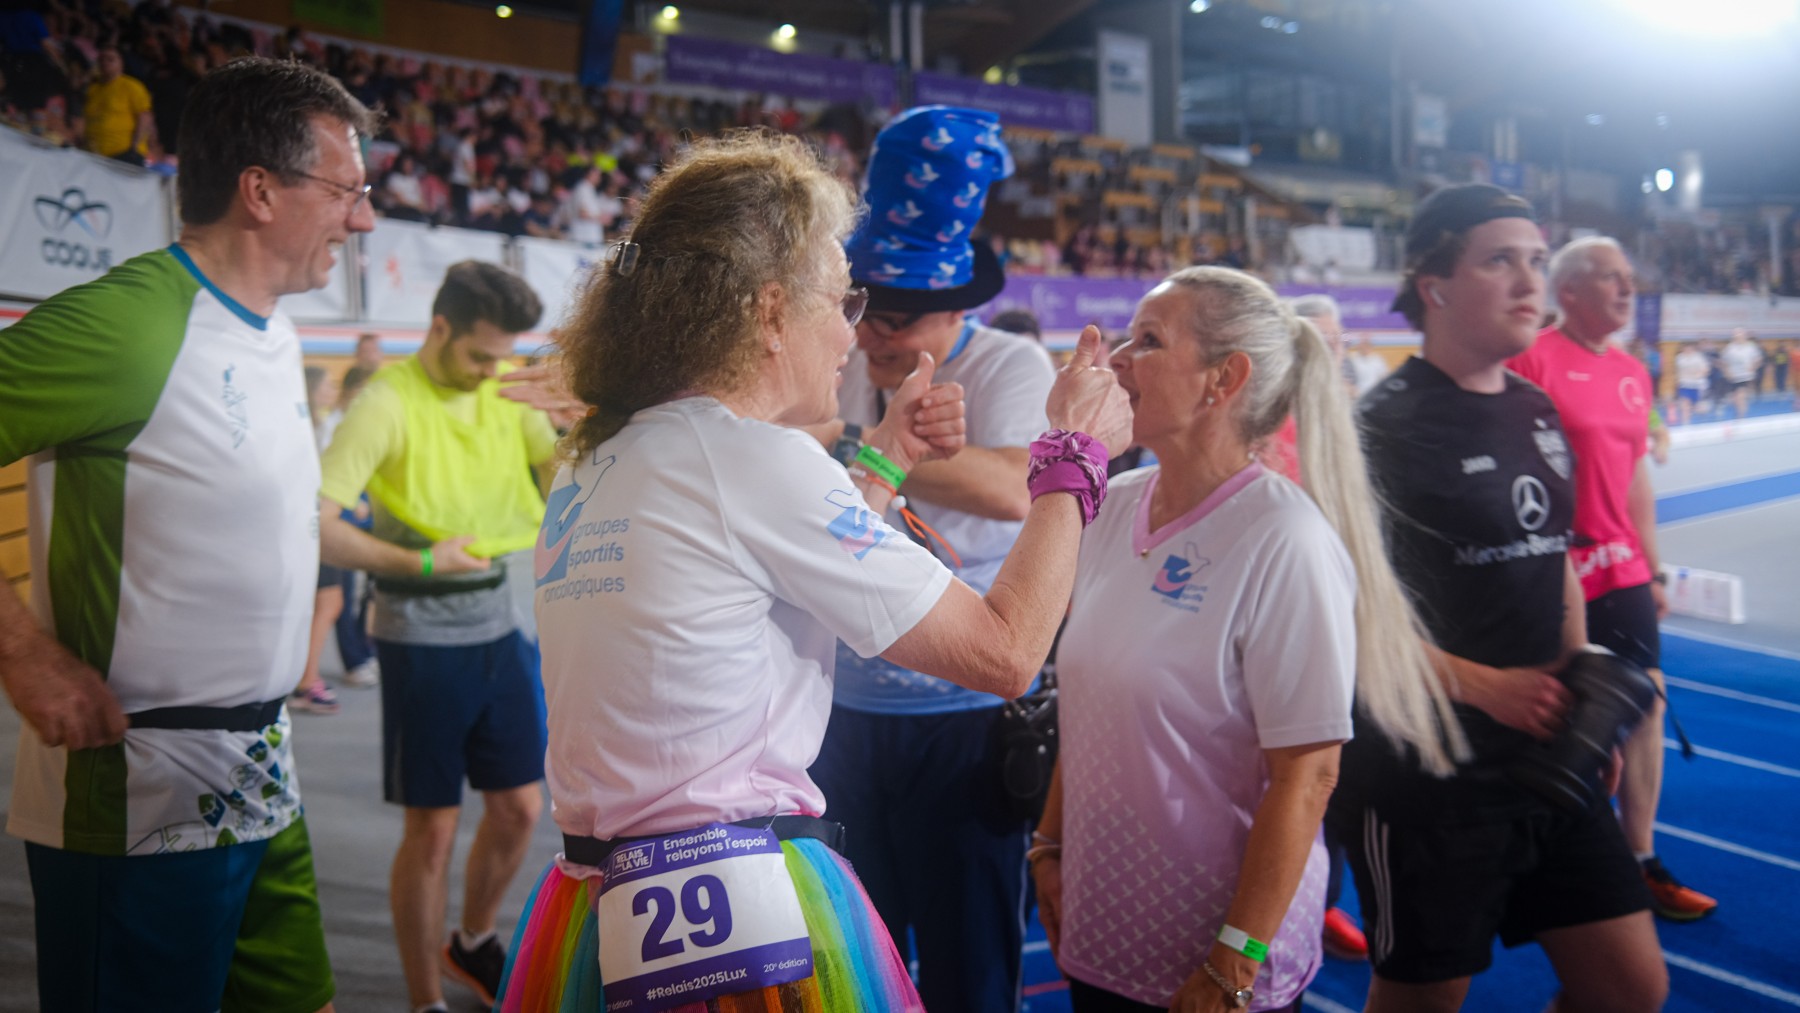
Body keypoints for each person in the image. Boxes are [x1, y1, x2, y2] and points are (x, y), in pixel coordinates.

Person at [495, 130, 1130, 1013]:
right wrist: (1074, 456)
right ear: (768, 312)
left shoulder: (603, 452)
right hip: (732, 908)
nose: (851, 330)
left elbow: (760, 582)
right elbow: (1007, 651)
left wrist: (883, 465)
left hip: (604, 886)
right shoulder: (752, 457)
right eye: (840, 299)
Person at [0, 55, 375, 1013]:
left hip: (264, 771)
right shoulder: (130, 326)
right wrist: (22, 649)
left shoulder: (274, 329)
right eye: (348, 191)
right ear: (261, 191)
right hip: (136, 791)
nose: (364, 220)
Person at [1032, 267, 1462, 1012]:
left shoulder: (1284, 539)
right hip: (1100, 926)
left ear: (1223, 379)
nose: (1119, 359)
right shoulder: (1111, 504)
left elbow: (1309, 775)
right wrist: (1049, 843)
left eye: (1149, 340)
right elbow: (1094, 701)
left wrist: (1233, 961)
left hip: (1213, 952)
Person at [1331, 184, 1667, 1012]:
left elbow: (1555, 563)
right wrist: (1488, 687)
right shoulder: (1378, 428)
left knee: (1631, 990)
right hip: (1428, 773)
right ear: (1435, 285)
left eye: (1537, 261)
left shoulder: (1535, 408)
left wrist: (1583, 699)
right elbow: (1343, 616)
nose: (1529, 282)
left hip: (1547, 756)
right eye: (1500, 261)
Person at [808, 105, 1055, 1013]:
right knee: (850, 960)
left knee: (970, 968)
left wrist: (884, 446)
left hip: (964, 711)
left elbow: (1018, 488)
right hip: (839, 706)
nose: (873, 335)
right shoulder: (839, 357)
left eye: (899, 317)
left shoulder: (1012, 365)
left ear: (960, 307)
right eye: (862, 309)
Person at [317, 261, 555, 1013]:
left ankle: (473, 941)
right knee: (433, 831)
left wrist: (586, 427)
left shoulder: (507, 383)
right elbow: (317, 523)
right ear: (439, 327)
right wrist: (420, 560)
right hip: (422, 638)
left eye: (502, 356)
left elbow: (561, 476)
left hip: (506, 626)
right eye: (479, 354)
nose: (491, 370)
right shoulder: (386, 401)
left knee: (521, 808)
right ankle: (426, 1001)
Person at [1508, 236, 1718, 922]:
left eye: (1629, 277)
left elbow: (1634, 479)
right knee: (1558, 711)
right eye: (1610, 277)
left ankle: (1640, 858)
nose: (1628, 289)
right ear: (1568, 291)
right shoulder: (1530, 361)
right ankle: (1542, 854)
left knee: (1647, 702)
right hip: (1551, 570)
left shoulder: (1632, 371)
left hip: (1620, 566)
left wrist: (1651, 567)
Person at [292, 365, 344, 716]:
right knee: (328, 602)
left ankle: (304, 678)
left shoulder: (315, 423)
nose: (331, 389)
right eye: (326, 384)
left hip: (310, 524)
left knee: (324, 603)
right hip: (310, 527)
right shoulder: (305, 428)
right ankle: (306, 682)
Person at [82, 44, 151, 163]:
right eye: (101, 59)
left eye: (110, 59)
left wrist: (134, 148)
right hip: (95, 155)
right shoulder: (93, 89)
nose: (105, 63)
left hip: (123, 153)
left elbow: (144, 117)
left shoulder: (132, 86)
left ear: (121, 63)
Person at [1722, 327, 1764, 418]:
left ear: (1744, 335)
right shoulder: (1730, 348)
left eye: (1740, 334)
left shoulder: (1751, 347)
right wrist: (1727, 372)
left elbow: (1759, 359)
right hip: (1734, 376)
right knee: (1735, 399)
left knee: (1740, 396)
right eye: (1735, 334)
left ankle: (1740, 417)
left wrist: (1753, 367)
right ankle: (1740, 411)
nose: (1738, 336)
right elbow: (1724, 362)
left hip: (1746, 376)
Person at [1672, 340, 1709, 425]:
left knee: (1697, 407)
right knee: (1685, 404)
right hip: (1684, 384)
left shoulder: (1698, 357)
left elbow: (1706, 369)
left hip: (1696, 384)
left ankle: (1703, 418)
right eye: (1686, 348)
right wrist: (1677, 380)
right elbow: (1678, 371)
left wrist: (1699, 374)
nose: (1688, 349)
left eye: (1689, 348)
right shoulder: (1679, 357)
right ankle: (1686, 423)